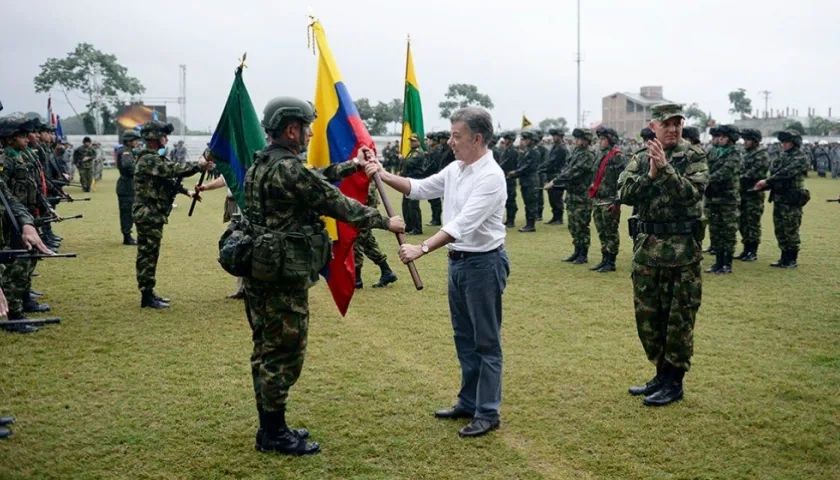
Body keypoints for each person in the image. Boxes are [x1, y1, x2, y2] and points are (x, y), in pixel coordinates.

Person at [241, 97, 404, 455]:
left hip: (262, 271)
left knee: (265, 350)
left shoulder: (265, 162)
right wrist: (383, 220)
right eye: (306, 126)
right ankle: (273, 433)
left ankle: (271, 427)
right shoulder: (287, 168)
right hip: (281, 277)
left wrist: (350, 166)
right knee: (283, 353)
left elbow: (313, 179)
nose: (310, 132)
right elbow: (333, 202)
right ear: (290, 129)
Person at [367, 106, 509, 438]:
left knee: (485, 341)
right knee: (464, 338)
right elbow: (419, 188)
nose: (450, 142)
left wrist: (421, 248)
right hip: (459, 263)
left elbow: (463, 224)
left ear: (476, 138)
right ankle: (468, 401)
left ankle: (487, 412)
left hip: (483, 264)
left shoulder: (491, 176)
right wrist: (382, 173)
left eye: (456, 136)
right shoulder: (457, 168)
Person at [619, 103, 709, 407]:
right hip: (647, 252)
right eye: (666, 124)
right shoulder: (641, 157)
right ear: (653, 126)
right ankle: (660, 375)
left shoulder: (694, 155)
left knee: (678, 320)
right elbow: (626, 194)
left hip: (681, 253)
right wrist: (652, 171)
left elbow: (691, 194)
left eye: (677, 123)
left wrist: (666, 169)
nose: (672, 129)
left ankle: (674, 383)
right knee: (649, 319)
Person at [133, 121, 214, 309]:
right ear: (154, 138)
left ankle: (149, 292)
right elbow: (173, 170)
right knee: (148, 254)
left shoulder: (155, 158)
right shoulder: (148, 159)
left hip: (153, 212)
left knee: (151, 253)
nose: (166, 139)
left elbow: (170, 181)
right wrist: (198, 166)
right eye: (163, 136)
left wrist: (187, 192)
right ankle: (147, 295)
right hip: (148, 212)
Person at [754, 130, 809, 268]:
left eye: (787, 142)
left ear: (794, 143)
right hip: (779, 197)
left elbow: (786, 173)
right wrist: (768, 183)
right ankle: (784, 256)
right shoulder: (782, 156)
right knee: (780, 228)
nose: (784, 145)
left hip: (791, 198)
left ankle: (792, 259)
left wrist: (767, 181)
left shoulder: (800, 157)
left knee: (790, 228)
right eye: (783, 142)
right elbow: (774, 169)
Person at [546, 128, 596, 263]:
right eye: (576, 138)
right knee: (573, 225)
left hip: (582, 195)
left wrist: (555, 181)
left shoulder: (588, 154)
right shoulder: (576, 152)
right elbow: (566, 168)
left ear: (586, 140)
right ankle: (577, 251)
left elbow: (575, 171)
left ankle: (583, 254)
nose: (576, 141)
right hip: (572, 194)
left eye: (579, 138)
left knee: (581, 226)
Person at [588, 126, 626, 273]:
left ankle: (611, 261)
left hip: (609, 201)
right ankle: (604, 258)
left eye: (603, 139)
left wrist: (617, 202)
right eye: (600, 139)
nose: (600, 141)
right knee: (602, 232)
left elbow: (622, 181)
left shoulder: (617, 156)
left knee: (611, 232)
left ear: (611, 140)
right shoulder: (600, 155)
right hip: (598, 200)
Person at [704, 125, 741, 274]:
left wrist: (705, 180)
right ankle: (718, 262)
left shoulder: (735, 153)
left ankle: (727, 263)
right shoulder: (714, 152)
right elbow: (705, 167)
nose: (720, 139)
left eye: (724, 137)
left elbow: (724, 172)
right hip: (713, 198)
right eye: (719, 136)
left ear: (731, 139)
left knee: (728, 231)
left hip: (727, 198)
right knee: (715, 231)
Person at [353, 181, 399, 289]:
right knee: (367, 239)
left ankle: (356, 280)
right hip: (363, 196)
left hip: (364, 198)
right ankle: (387, 272)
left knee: (356, 238)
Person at [736, 129, 769, 261]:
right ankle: (746, 249)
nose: (745, 142)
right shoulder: (744, 153)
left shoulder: (761, 155)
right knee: (742, 222)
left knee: (752, 222)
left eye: (748, 140)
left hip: (753, 194)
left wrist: (736, 177)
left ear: (755, 141)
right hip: (742, 192)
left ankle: (752, 251)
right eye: (744, 140)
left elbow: (753, 173)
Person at [508, 130, 541, 232]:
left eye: (527, 139)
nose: (525, 141)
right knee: (528, 203)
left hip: (531, 181)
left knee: (531, 203)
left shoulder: (534, 151)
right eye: (524, 138)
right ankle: (529, 224)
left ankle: (531, 225)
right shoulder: (528, 151)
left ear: (532, 140)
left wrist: (515, 173)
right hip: (526, 181)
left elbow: (527, 167)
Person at [116, 130, 140, 245]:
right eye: (135, 140)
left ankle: (128, 235)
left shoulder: (128, 151)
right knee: (126, 212)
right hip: (126, 185)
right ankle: (127, 236)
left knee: (130, 211)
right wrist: (138, 171)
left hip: (129, 184)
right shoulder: (125, 152)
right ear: (129, 141)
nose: (136, 142)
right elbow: (127, 166)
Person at [399, 134, 426, 235]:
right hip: (409, 181)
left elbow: (409, 163)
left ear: (418, 142)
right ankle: (409, 226)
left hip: (415, 181)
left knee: (413, 206)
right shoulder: (412, 152)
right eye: (411, 141)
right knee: (406, 205)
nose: (411, 143)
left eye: (414, 141)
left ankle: (417, 229)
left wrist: (402, 159)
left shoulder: (418, 153)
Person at [544, 128, 568, 224]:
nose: (553, 138)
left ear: (560, 136)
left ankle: (559, 218)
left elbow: (552, 161)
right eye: (553, 136)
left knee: (557, 198)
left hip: (557, 175)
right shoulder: (555, 147)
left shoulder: (561, 148)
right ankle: (555, 217)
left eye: (555, 136)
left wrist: (542, 168)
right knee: (552, 198)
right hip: (551, 175)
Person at [498, 131, 519, 227]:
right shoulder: (506, 150)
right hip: (504, 177)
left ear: (511, 140)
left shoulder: (513, 151)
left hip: (510, 178)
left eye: (507, 139)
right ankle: (508, 219)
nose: (505, 141)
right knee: (506, 200)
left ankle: (511, 220)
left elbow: (506, 163)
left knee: (511, 200)